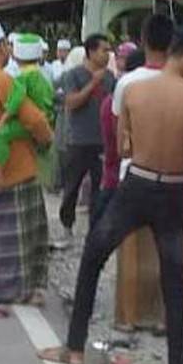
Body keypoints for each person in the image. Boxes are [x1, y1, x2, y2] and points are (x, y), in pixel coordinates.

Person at [38, 28, 183, 364]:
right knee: (174, 285)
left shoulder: (132, 90)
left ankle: (74, 348)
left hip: (135, 186)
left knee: (92, 259)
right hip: (173, 190)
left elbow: (121, 146)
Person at [0, 21, 53, 311]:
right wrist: (46, 139)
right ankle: (21, 289)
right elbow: (35, 119)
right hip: (13, 169)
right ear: (2, 47)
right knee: (24, 236)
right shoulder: (2, 81)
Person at [111, 14, 173, 331]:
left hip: (134, 171)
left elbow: (120, 137)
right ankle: (163, 317)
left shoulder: (127, 83)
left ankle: (129, 316)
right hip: (173, 176)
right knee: (166, 249)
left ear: (144, 41)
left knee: (131, 249)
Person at [0, 34, 54, 195]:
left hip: (31, 120)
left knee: (1, 134)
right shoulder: (42, 75)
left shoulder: (23, 77)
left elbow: (16, 101)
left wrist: (4, 118)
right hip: (46, 119)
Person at [59, 34, 115, 237]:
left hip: (103, 140)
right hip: (80, 139)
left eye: (109, 50)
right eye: (104, 50)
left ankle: (96, 228)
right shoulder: (74, 75)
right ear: (91, 52)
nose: (108, 55)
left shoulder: (110, 78)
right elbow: (71, 102)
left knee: (100, 187)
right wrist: (93, 84)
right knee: (72, 185)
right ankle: (67, 226)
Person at [96, 45, 142, 225]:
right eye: (119, 56)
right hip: (121, 169)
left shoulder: (119, 89)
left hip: (117, 169)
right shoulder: (123, 89)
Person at [49, 39, 72, 193]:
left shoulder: (71, 69)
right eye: (60, 50)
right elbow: (52, 88)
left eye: (65, 51)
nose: (62, 53)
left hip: (71, 110)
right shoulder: (55, 67)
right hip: (59, 108)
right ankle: (57, 182)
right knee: (59, 146)